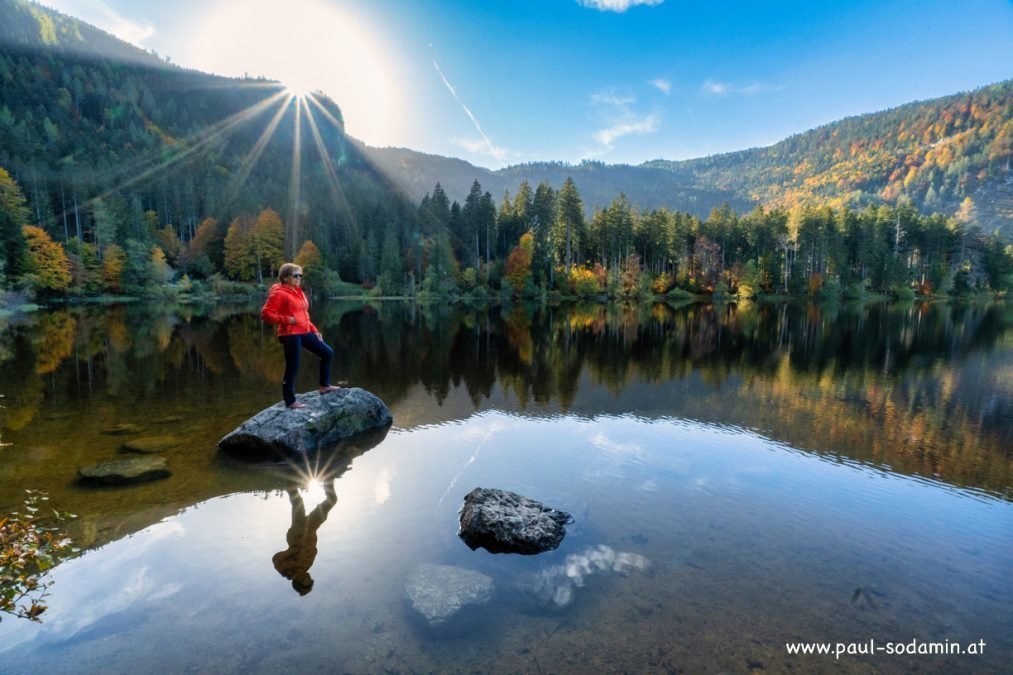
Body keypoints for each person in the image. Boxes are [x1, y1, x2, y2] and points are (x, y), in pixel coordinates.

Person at [261, 263, 341, 409]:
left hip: (304, 331)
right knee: (293, 366)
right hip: (290, 334)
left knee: (327, 353)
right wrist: (286, 320)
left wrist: (314, 330)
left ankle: (324, 386)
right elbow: (266, 314)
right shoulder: (279, 293)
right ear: (285, 277)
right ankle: (290, 401)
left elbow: (304, 315)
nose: (299, 278)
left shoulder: (298, 292)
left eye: (300, 275)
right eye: (295, 275)